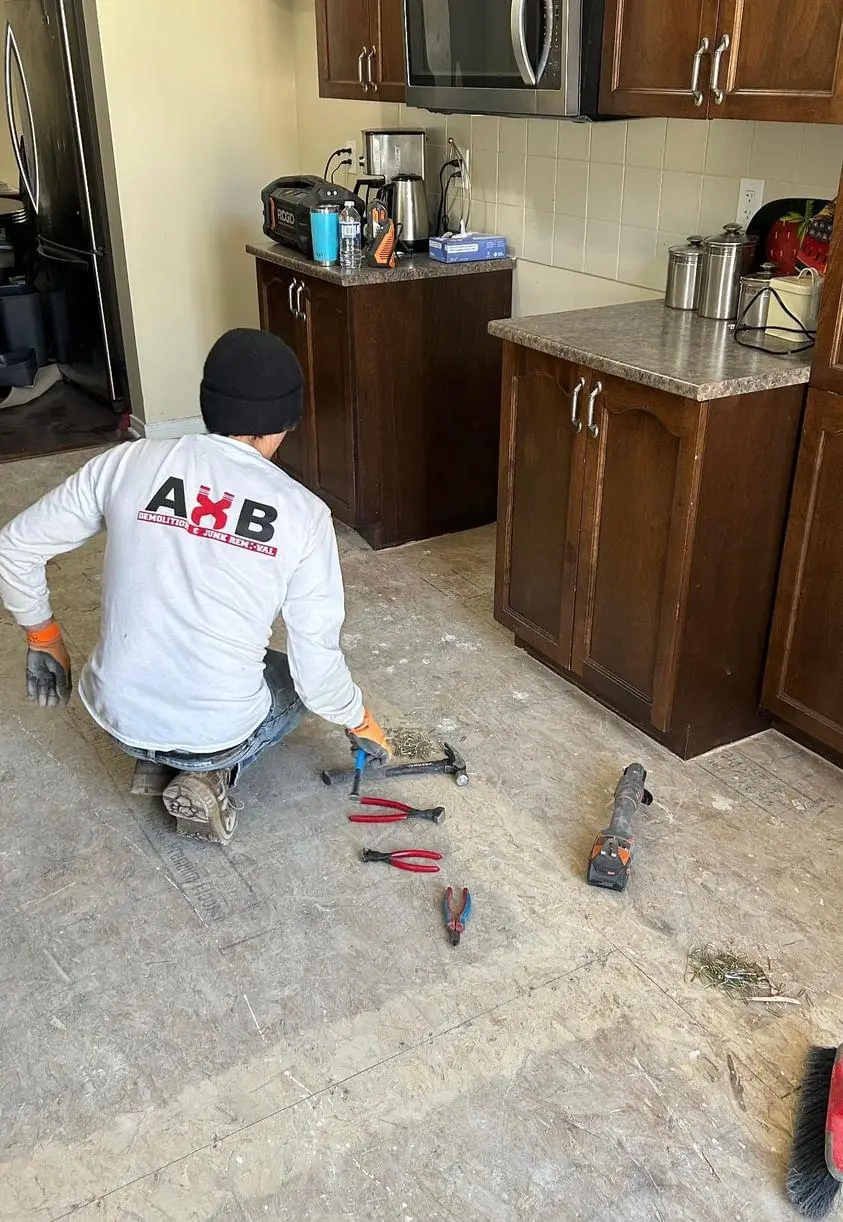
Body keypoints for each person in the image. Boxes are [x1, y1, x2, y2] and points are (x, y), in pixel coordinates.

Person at [0, 328, 390, 844]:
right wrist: (358, 717)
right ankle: (210, 772)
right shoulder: (304, 515)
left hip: (116, 715)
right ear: (283, 424)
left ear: (209, 405)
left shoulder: (127, 462)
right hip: (213, 734)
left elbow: (13, 546)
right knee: (291, 678)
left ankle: (156, 759)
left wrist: (43, 636)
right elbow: (317, 669)